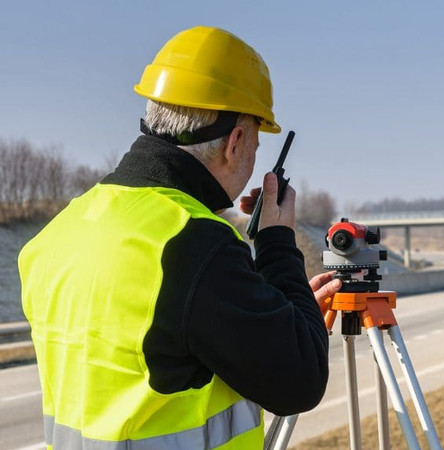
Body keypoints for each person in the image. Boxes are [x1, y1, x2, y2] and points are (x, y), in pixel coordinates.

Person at [18, 26, 340, 448]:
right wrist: (277, 242)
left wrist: (277, 318)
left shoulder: (58, 233)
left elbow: (169, 346)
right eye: (257, 143)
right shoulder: (195, 245)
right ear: (236, 141)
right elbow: (300, 381)